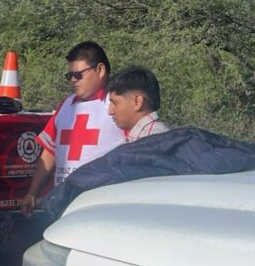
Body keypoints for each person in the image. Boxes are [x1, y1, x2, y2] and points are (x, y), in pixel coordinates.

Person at [21, 41, 124, 217]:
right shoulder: (66, 105)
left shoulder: (119, 104)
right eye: (70, 76)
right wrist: (32, 193)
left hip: (101, 204)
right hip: (61, 204)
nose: (73, 81)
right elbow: (50, 152)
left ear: (100, 70)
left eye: (78, 75)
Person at [107, 66, 170, 142]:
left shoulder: (154, 141)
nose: (110, 111)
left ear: (137, 102)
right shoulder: (161, 138)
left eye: (115, 103)